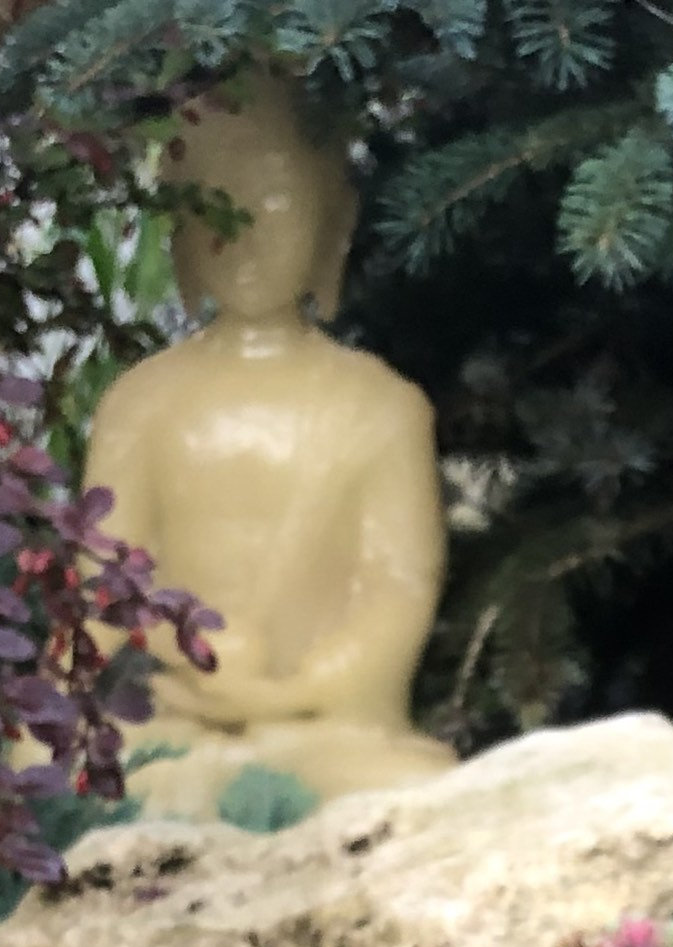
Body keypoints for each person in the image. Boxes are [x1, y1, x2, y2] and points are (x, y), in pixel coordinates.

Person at [87, 67, 457, 818]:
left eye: (278, 212)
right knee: (57, 759)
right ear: (181, 227)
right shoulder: (143, 400)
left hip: (324, 722)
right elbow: (102, 578)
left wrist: (296, 690)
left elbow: (398, 586)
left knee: (399, 791)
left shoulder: (383, 407)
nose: (248, 240)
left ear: (333, 225)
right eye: (224, 213)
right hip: (176, 711)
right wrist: (185, 655)